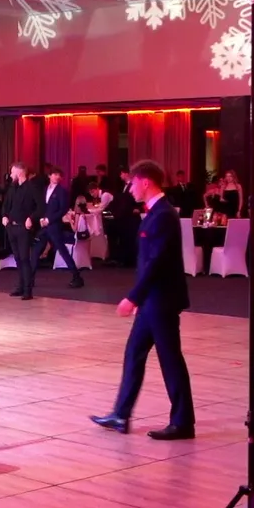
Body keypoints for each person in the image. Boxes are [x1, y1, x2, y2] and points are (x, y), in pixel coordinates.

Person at [91, 160, 195, 440]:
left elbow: (157, 263)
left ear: (145, 182)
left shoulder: (164, 215)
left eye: (133, 183)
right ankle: (120, 415)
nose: (131, 189)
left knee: (170, 360)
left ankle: (183, 422)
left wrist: (133, 297)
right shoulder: (155, 213)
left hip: (161, 301)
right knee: (134, 353)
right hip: (152, 301)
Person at [32, 167, 83, 289]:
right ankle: (29, 278)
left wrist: (49, 220)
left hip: (54, 225)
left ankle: (76, 276)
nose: (57, 177)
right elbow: (42, 206)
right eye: (55, 174)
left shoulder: (62, 191)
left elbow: (63, 209)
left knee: (62, 251)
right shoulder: (45, 189)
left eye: (59, 175)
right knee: (36, 251)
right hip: (44, 225)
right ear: (49, 176)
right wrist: (42, 219)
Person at [1, 162, 41, 300]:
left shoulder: (31, 188)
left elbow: (41, 207)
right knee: (17, 258)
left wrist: (31, 218)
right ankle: (20, 286)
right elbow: (6, 205)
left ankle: (27, 290)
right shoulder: (12, 188)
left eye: (13, 172)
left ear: (19, 173)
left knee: (24, 258)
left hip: (23, 228)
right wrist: (4, 216)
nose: (11, 175)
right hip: (11, 227)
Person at [107, 166, 142, 267]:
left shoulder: (133, 185)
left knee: (130, 238)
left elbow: (137, 199)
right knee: (123, 237)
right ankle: (121, 259)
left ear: (126, 173)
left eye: (121, 173)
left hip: (131, 217)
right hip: (124, 216)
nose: (120, 176)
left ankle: (129, 260)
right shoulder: (124, 186)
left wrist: (138, 208)